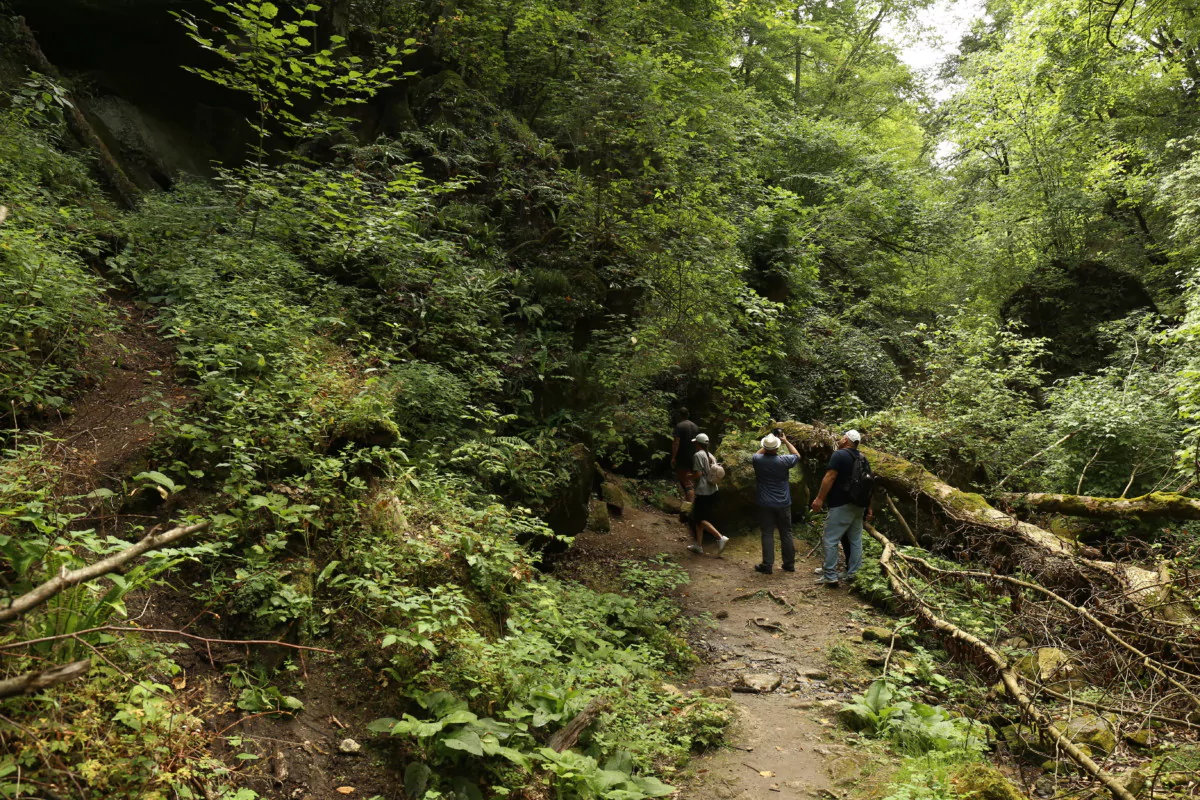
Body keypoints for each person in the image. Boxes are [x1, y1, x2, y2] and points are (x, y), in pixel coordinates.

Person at [811, 430, 873, 588]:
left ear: (846, 439)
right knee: (855, 540)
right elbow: (869, 484)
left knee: (830, 539)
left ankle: (830, 575)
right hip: (859, 506)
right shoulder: (863, 458)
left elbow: (830, 476)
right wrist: (869, 506)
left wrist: (819, 498)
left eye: (841, 438)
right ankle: (854, 573)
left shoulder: (839, 455)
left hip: (841, 504)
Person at [751, 431, 801, 574]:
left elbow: (758, 453)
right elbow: (797, 455)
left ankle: (767, 565)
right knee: (786, 532)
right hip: (783, 503)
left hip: (765, 503)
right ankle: (789, 564)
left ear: (764, 448)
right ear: (777, 448)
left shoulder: (758, 460)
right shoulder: (784, 461)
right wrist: (785, 441)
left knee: (767, 533)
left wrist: (766, 444)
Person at [686, 433, 729, 555]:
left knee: (699, 520)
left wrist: (689, 476)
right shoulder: (710, 455)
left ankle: (720, 538)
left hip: (703, 492)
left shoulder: (698, 455)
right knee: (699, 518)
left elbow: (698, 474)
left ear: (698, 443)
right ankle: (698, 546)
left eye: (695, 442)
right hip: (712, 490)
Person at [671, 407, 699, 506]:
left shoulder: (680, 426)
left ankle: (689, 508)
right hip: (693, 456)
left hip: (682, 456)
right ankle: (689, 504)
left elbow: (676, 442)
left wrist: (673, 457)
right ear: (688, 414)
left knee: (686, 482)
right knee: (689, 480)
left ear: (680, 415)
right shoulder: (695, 426)